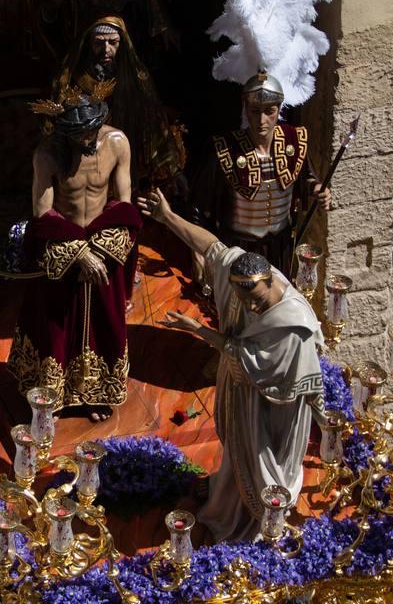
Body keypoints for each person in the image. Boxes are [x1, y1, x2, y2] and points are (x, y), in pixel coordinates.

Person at [137, 187, 322, 541]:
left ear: (271, 281)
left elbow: (251, 363)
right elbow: (212, 247)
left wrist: (198, 331)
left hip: (274, 408)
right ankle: (228, 493)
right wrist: (168, 217)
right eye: (243, 298)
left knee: (261, 465)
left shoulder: (292, 324)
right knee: (237, 452)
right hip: (245, 391)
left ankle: (261, 524)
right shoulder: (243, 277)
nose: (250, 308)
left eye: (256, 299)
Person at [7, 94, 139, 421]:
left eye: (92, 132)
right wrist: (79, 252)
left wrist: (104, 248)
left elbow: (124, 204)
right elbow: (42, 212)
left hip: (105, 242)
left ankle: (94, 393)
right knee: (55, 323)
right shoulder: (47, 155)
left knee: (103, 320)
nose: (87, 141)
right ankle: (49, 396)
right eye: (80, 136)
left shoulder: (118, 143)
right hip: (62, 244)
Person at [190, 71, 330, 272]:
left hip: (281, 245)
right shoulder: (225, 149)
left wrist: (318, 187)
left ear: (279, 108)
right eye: (255, 111)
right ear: (245, 108)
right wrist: (198, 250)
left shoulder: (294, 140)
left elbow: (306, 176)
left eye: (269, 111)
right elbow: (198, 205)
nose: (262, 120)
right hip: (238, 245)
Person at [47, 16, 185, 191]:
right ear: (87, 43)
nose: (106, 49)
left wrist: (171, 169)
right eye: (99, 42)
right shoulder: (69, 78)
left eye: (113, 42)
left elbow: (155, 123)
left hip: (127, 158)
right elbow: (53, 126)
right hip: (81, 165)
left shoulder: (136, 77)